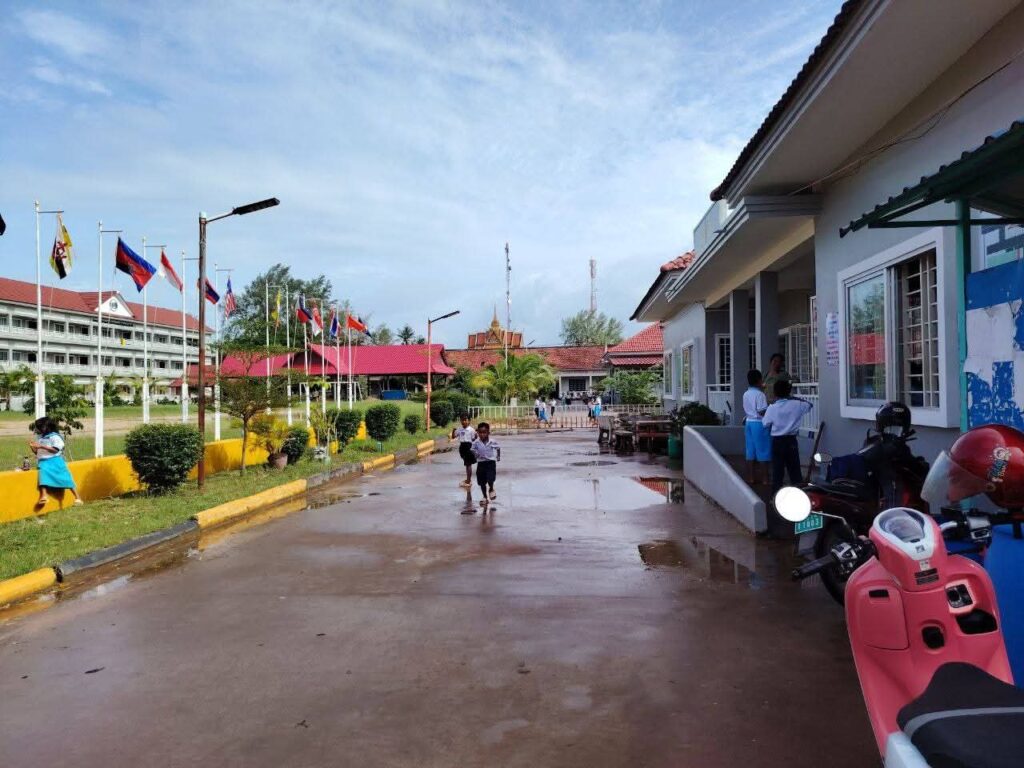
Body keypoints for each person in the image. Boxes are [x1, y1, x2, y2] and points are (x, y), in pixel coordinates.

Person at [762, 380, 813, 494]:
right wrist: (794, 398)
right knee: (795, 471)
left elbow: (765, 424)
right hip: (791, 441)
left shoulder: (772, 408)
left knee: (777, 472)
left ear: (775, 393)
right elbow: (810, 405)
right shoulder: (797, 404)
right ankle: (799, 495)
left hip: (777, 441)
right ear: (789, 392)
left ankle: (775, 496)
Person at [29, 416, 82, 507]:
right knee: (43, 474)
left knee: (66, 478)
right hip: (44, 461)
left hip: (55, 461)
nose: (39, 429)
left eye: (41, 427)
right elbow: (38, 452)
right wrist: (33, 448)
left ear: (48, 426)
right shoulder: (41, 438)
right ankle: (44, 495)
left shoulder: (54, 437)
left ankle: (78, 498)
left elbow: (55, 450)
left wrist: (41, 446)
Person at [743, 369, 770, 485]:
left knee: (750, 451)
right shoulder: (760, 394)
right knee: (762, 450)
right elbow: (761, 411)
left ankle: (751, 478)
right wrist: (770, 410)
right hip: (759, 423)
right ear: (759, 380)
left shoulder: (746, 393)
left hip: (748, 422)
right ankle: (765, 479)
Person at [471, 422, 501, 508]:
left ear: (488, 433)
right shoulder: (476, 442)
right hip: (481, 463)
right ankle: (484, 497)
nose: (482, 434)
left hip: (490, 462)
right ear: (478, 432)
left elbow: (498, 448)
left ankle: (491, 488)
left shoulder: (492, 441)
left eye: (484, 432)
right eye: (480, 432)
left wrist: (498, 456)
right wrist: (475, 454)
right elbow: (472, 449)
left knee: (490, 478)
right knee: (482, 482)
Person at [451, 413, 477, 489]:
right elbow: (453, 436)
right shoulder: (459, 429)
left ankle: (468, 481)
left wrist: (476, 436)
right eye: (462, 420)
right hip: (462, 447)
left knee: (468, 464)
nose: (463, 422)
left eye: (465, 420)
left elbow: (474, 439)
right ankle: (468, 479)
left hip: (469, 447)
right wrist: (453, 431)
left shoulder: (471, 430)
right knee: (467, 464)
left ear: (469, 421)